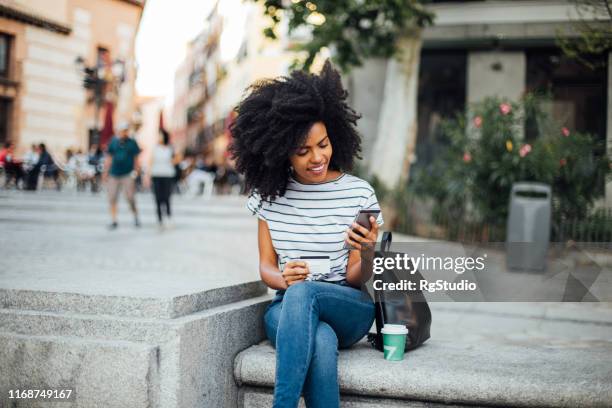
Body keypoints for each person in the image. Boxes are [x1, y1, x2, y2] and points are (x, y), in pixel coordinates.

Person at [229, 60, 384, 408]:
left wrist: (369, 250)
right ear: (282, 152)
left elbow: (355, 277)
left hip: (347, 304)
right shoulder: (269, 198)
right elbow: (266, 267)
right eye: (303, 151)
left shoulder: (358, 194)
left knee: (306, 296)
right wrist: (283, 278)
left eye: (323, 144)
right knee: (320, 338)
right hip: (286, 308)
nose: (318, 157)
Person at [104, 122, 141, 229]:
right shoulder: (113, 142)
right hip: (114, 173)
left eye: (125, 130)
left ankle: (135, 217)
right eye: (122, 131)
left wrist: (137, 171)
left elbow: (136, 158)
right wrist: (105, 172)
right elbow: (109, 157)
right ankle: (114, 220)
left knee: (130, 197)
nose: (124, 133)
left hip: (127, 173)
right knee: (112, 197)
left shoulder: (132, 142)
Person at [147, 129, 177, 228]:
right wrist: (148, 175)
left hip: (167, 174)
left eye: (160, 135)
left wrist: (174, 158)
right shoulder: (155, 148)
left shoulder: (170, 148)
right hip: (156, 174)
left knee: (167, 197)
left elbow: (175, 160)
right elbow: (151, 161)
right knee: (158, 197)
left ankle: (168, 216)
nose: (158, 137)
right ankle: (159, 218)